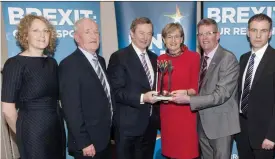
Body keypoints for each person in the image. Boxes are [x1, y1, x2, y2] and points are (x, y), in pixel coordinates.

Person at [170, 18, 240, 159]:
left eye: (209, 33)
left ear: (218, 35)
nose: (204, 38)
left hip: (221, 126)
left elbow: (221, 95)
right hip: (202, 124)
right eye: (201, 34)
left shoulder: (227, 58)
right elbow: (199, 88)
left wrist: (189, 99)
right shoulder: (201, 59)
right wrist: (187, 92)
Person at [1, 14, 65, 159]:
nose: (42, 35)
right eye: (35, 30)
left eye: (46, 31)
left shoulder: (52, 63)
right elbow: (7, 109)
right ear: (25, 35)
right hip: (32, 132)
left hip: (56, 128)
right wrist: (24, 135)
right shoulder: (14, 64)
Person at [233, 13, 275, 159]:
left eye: (263, 31)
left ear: (270, 33)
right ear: (248, 32)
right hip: (242, 131)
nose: (258, 35)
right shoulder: (244, 58)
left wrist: (273, 136)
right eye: (254, 30)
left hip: (265, 135)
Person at [59, 18, 113, 159]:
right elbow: (71, 109)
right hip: (88, 145)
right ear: (77, 37)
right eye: (88, 32)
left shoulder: (101, 60)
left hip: (105, 140)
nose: (94, 36)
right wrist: (84, 142)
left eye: (96, 32)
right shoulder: (69, 65)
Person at [107, 17, 159, 159]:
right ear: (132, 33)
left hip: (150, 127)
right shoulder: (119, 57)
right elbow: (116, 91)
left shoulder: (155, 58)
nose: (145, 37)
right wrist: (143, 98)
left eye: (149, 33)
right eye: (141, 33)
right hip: (127, 128)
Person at [157, 23, 200, 159]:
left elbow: (196, 88)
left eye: (177, 36)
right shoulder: (160, 59)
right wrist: (161, 93)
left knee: (187, 153)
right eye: (169, 36)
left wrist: (185, 93)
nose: (173, 41)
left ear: (182, 39)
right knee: (170, 154)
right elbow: (158, 87)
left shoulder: (194, 57)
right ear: (163, 39)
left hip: (186, 114)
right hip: (167, 114)